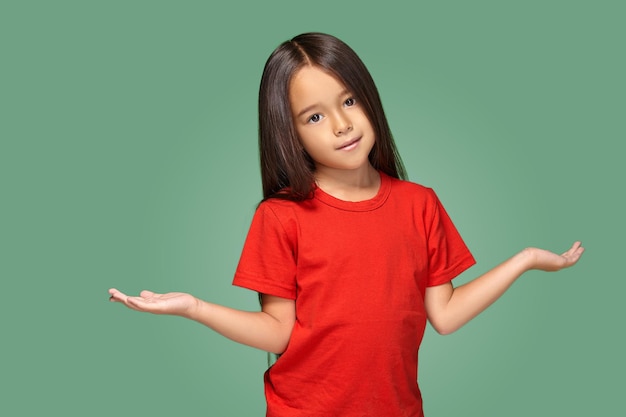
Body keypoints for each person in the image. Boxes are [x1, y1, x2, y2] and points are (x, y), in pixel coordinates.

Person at [108, 32, 584, 417]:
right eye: (314, 116)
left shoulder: (420, 204)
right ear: (289, 133)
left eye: (349, 101)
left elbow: (446, 314)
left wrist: (524, 260)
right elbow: (278, 333)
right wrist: (193, 307)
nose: (341, 124)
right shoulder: (280, 215)